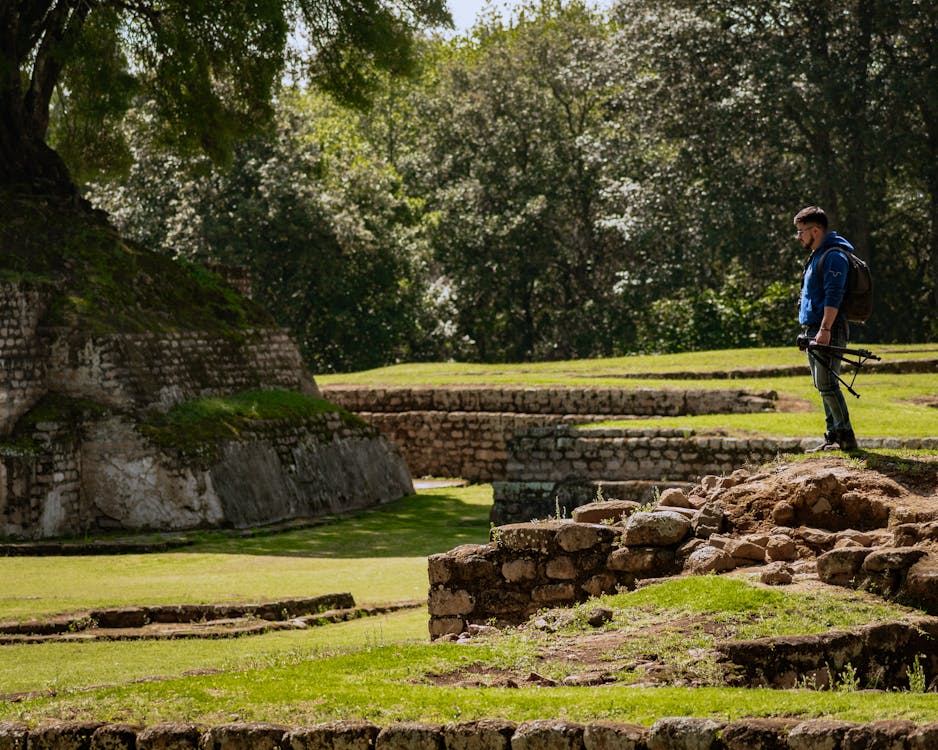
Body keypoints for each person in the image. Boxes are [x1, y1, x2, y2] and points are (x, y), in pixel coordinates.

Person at [794, 205, 859, 452]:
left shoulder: (833, 256)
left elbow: (834, 295)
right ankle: (833, 435)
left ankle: (846, 436)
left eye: (801, 231)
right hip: (814, 329)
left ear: (816, 230)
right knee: (821, 384)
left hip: (828, 328)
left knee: (828, 383)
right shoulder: (817, 254)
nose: (799, 237)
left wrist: (824, 329)